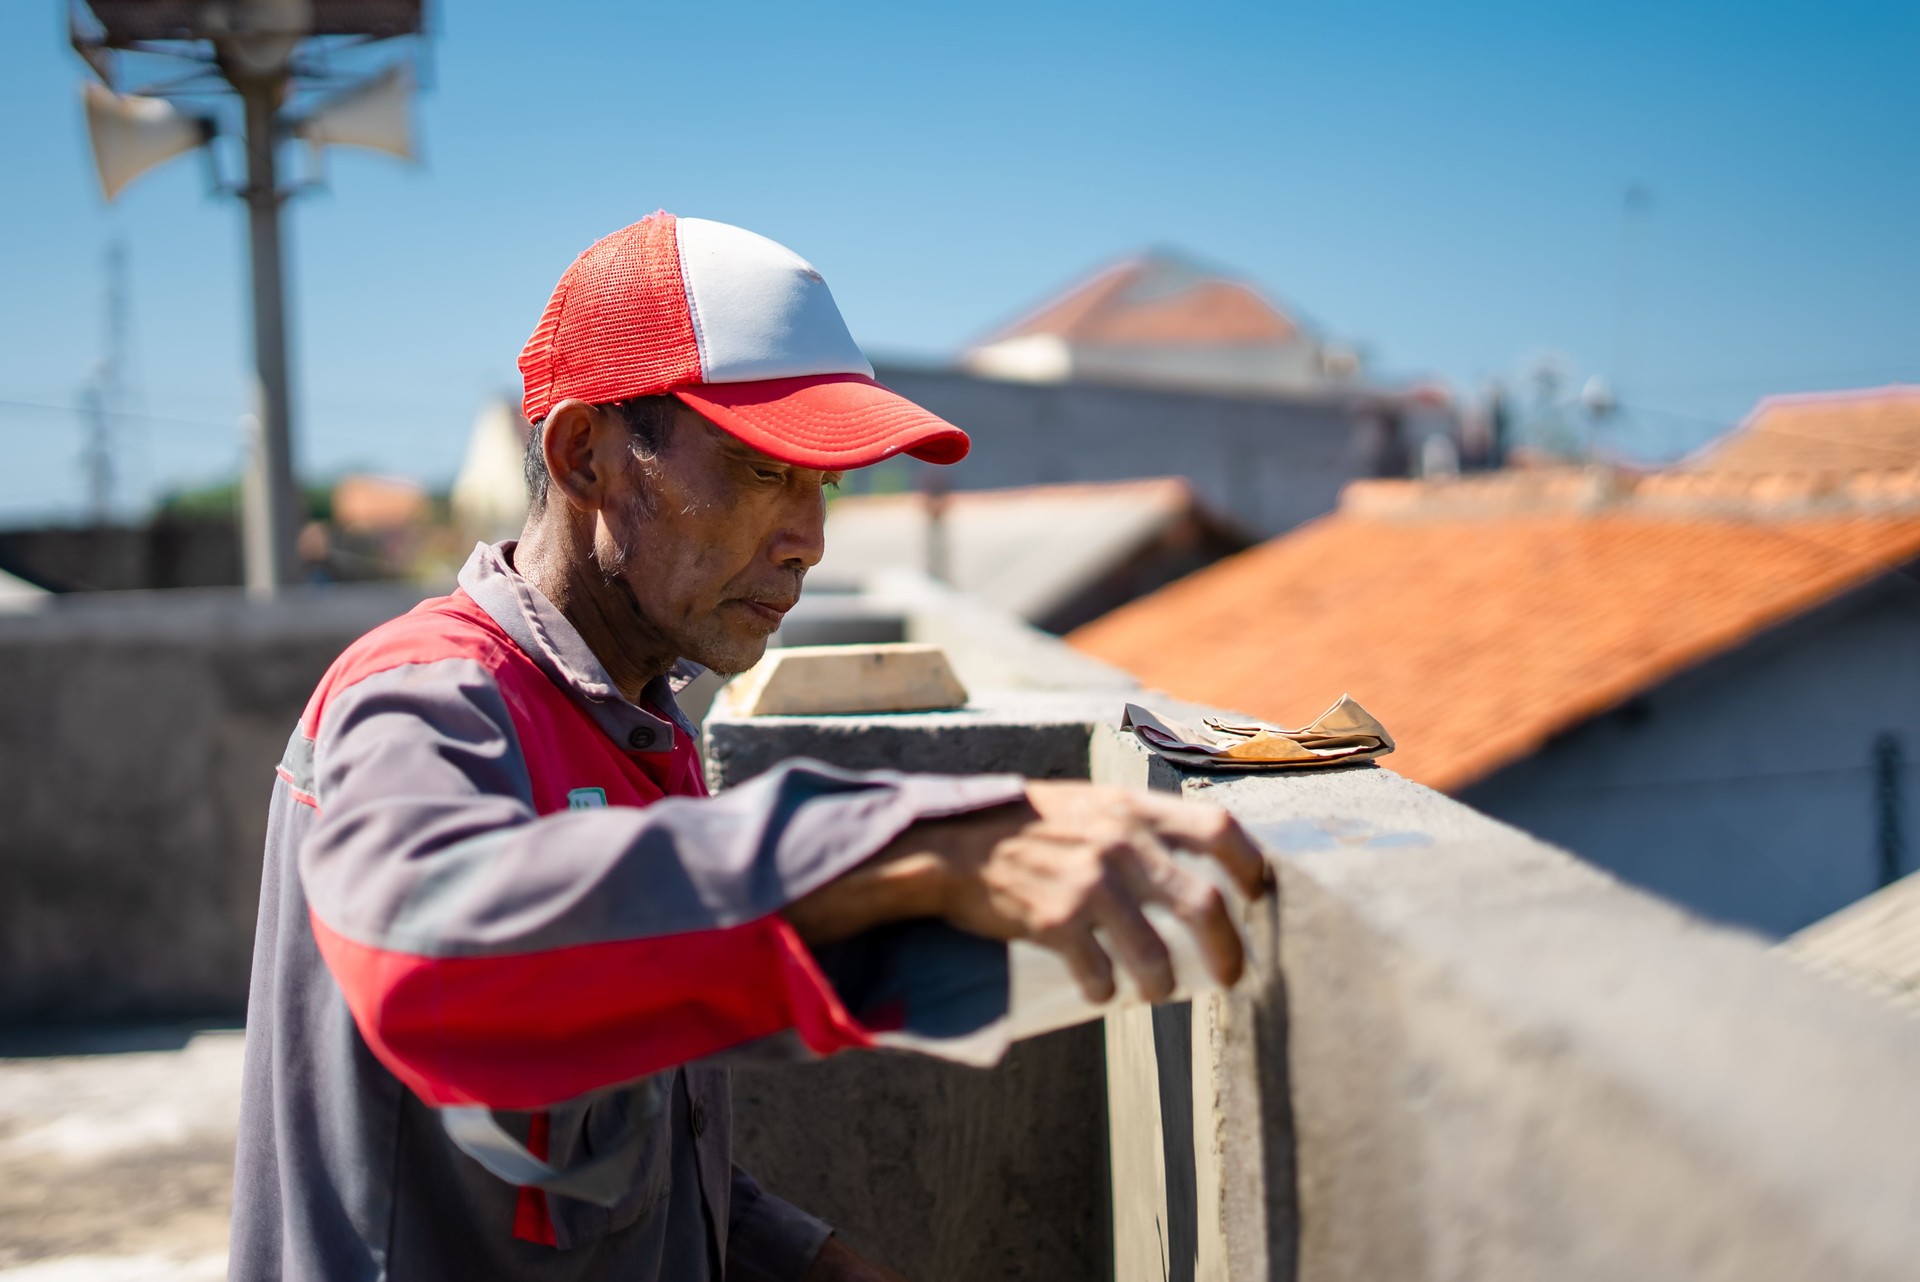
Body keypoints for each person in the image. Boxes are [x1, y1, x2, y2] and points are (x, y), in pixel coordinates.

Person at [229, 212, 1266, 1281]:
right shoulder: (427, 702)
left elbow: (583, 1149)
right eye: (762, 471)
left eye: (827, 484)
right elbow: (429, 964)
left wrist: (792, 1256)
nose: (810, 537)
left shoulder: (638, 725)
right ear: (586, 454)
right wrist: (908, 850)